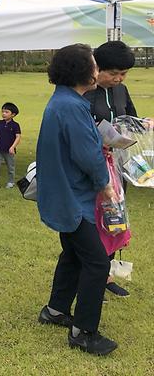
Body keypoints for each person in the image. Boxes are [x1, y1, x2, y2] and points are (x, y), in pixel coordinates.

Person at [36, 44, 118, 356]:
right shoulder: (71, 106)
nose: (97, 71)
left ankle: (55, 310)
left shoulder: (65, 100)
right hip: (73, 197)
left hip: (65, 194)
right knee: (97, 263)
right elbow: (87, 154)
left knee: (72, 254)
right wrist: (105, 185)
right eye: (94, 65)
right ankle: (84, 332)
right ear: (80, 71)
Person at [83, 41, 141, 299]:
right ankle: (91, 275)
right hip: (93, 169)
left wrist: (142, 126)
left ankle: (106, 276)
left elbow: (131, 120)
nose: (118, 79)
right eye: (113, 73)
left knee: (114, 219)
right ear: (97, 68)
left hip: (117, 167)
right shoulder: (85, 92)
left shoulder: (122, 91)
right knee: (93, 224)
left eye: (123, 74)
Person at [0, 102, 21, 190]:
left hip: (9, 150)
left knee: (10, 166)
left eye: (6, 112)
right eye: (3, 111)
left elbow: (18, 137)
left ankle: (11, 182)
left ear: (13, 114)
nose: (3, 114)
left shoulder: (15, 125)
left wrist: (13, 147)